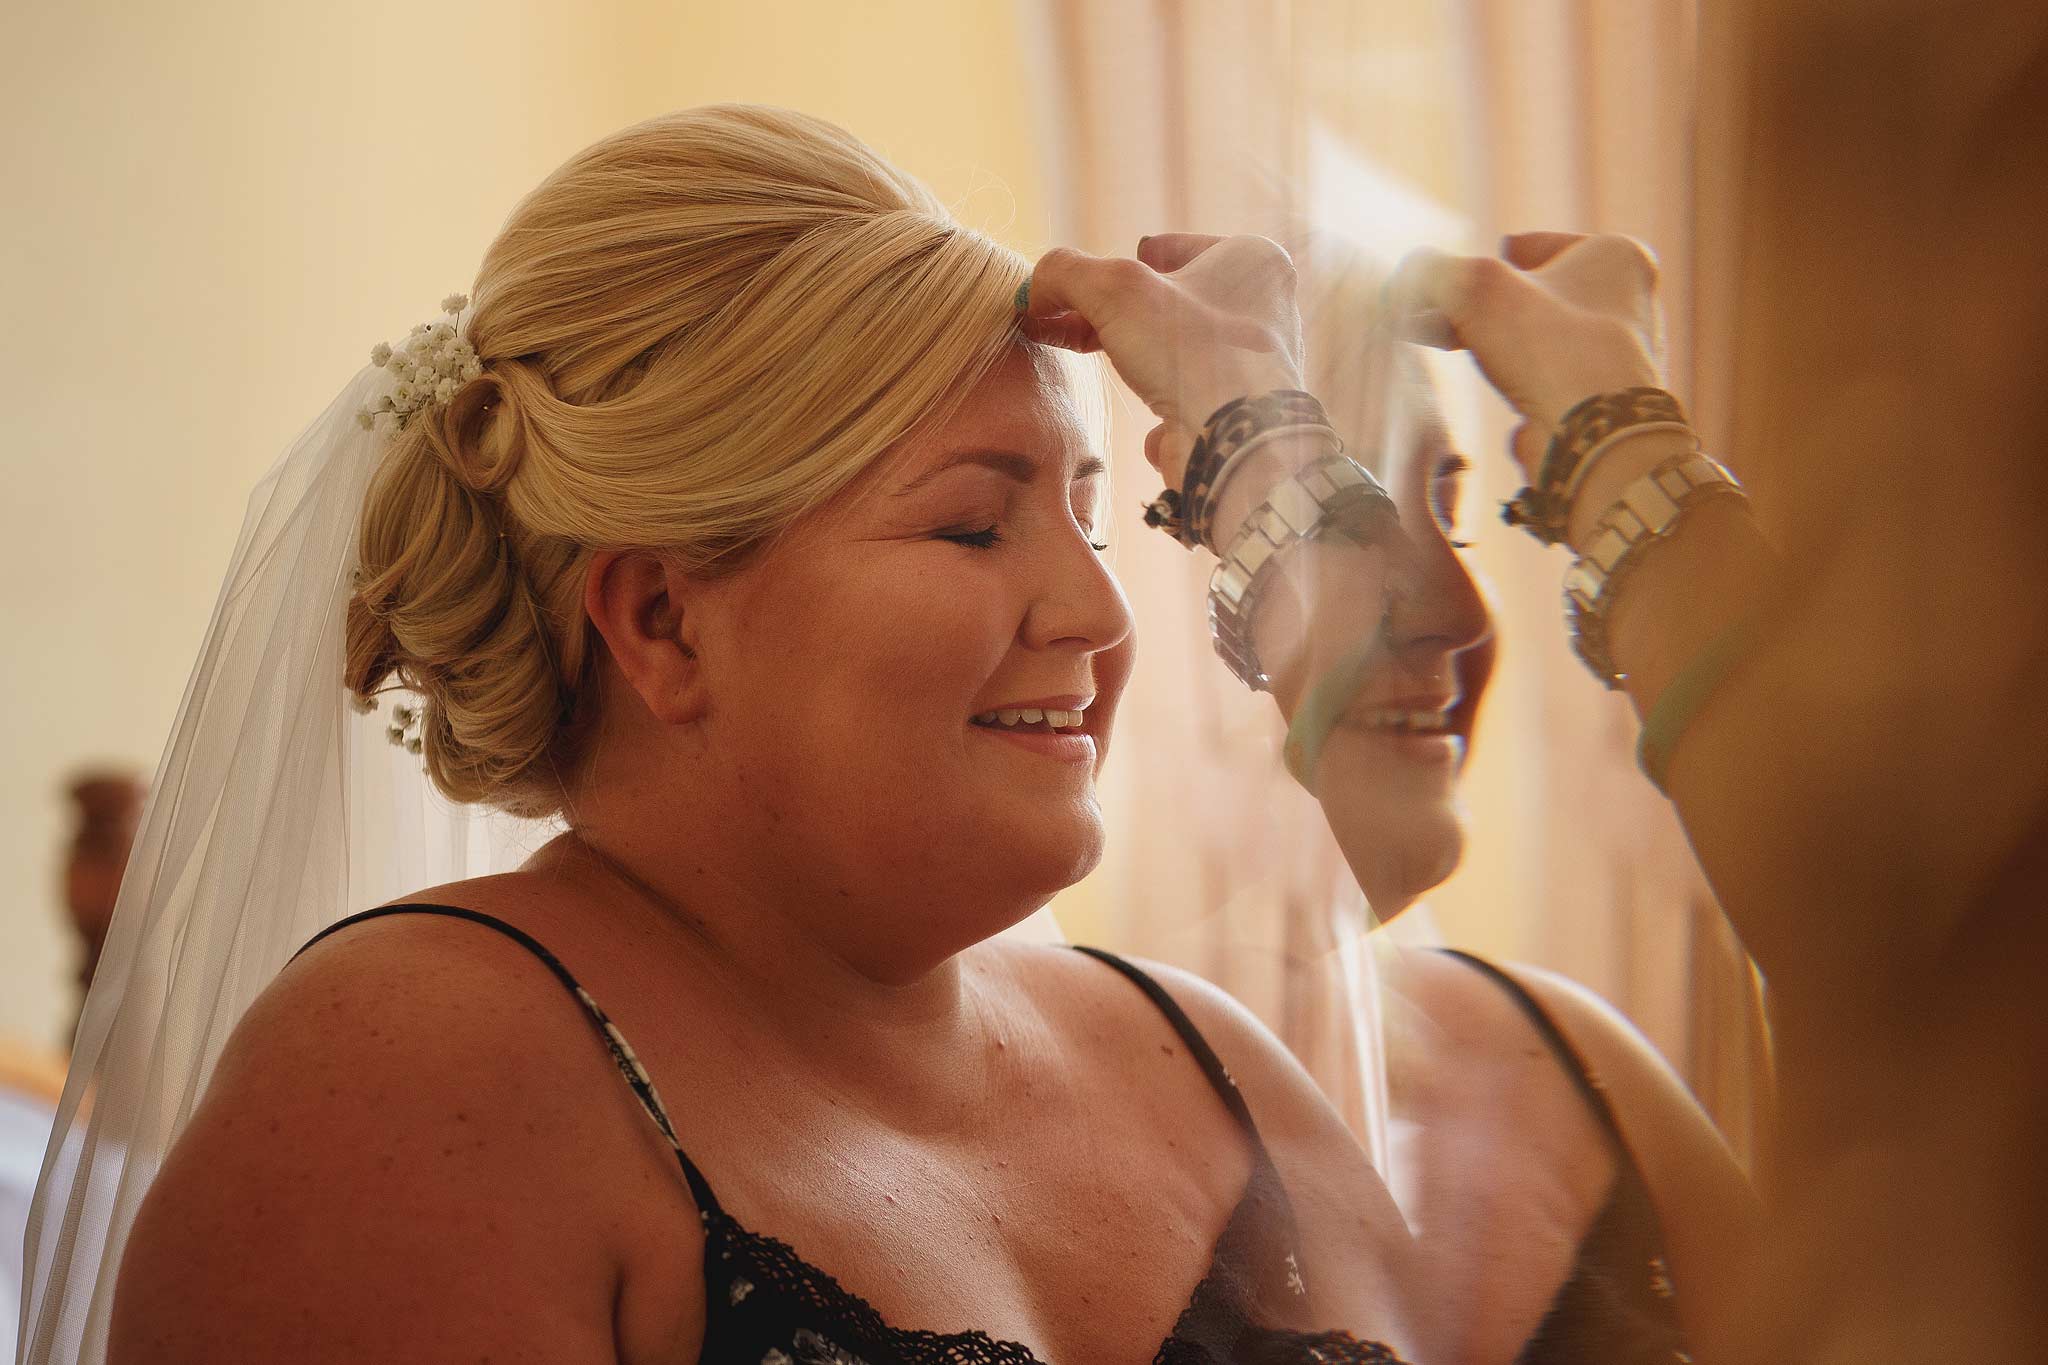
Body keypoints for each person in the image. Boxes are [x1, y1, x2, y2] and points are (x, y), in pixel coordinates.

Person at [47, 107, 1418, 1365]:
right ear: (662, 622)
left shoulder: (1211, 1061)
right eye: (971, 523)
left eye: (1094, 512)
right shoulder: (410, 1083)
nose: (1103, 607)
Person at [1020, 233, 1759, 1363]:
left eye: (1454, 518)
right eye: (1330, 523)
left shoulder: (1579, 1062)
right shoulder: (1029, 1134)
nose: (1460, 613)